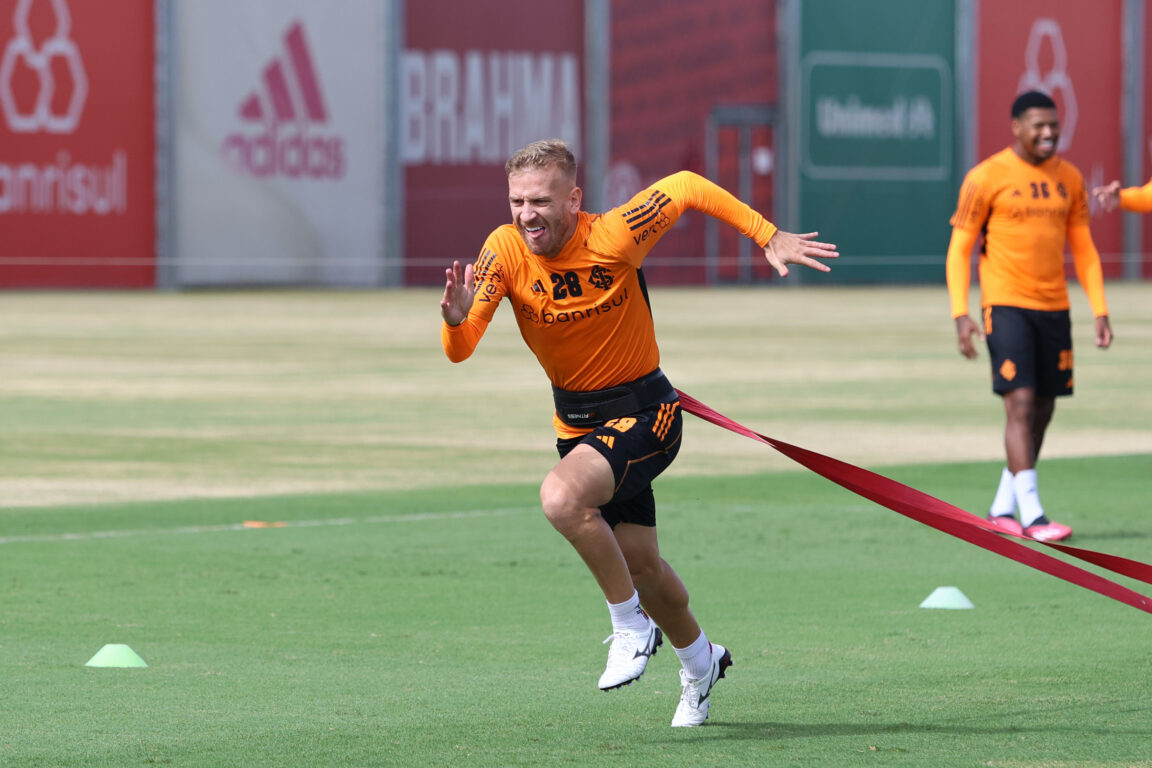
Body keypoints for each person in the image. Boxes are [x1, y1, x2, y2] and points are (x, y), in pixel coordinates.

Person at [440, 139, 837, 727]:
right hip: (576, 427)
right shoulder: (504, 250)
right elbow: (461, 349)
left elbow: (685, 185)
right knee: (644, 568)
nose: (527, 214)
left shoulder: (615, 234)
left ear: (573, 199)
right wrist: (454, 319)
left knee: (561, 497)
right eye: (517, 201)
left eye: (542, 201)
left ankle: (629, 624)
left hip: (648, 415)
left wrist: (765, 233)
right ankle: (702, 662)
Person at [945, 91, 1113, 543]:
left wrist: (1100, 309)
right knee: (1019, 404)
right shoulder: (986, 177)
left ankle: (1003, 508)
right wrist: (961, 314)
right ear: (1015, 127)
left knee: (1043, 408)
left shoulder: (1070, 179)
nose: (1047, 133)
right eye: (1038, 125)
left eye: (1053, 125)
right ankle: (1034, 517)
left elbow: (1084, 250)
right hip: (1005, 304)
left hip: (1055, 307)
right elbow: (960, 250)